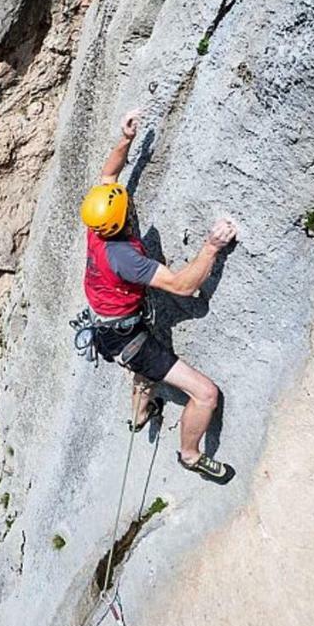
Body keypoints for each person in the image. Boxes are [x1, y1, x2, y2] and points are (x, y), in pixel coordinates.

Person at [79, 109, 236, 480]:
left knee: (142, 369)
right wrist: (211, 247)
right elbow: (184, 286)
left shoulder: (97, 222)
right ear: (122, 218)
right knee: (205, 394)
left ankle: (138, 415)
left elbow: (108, 175)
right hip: (128, 336)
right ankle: (190, 454)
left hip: (111, 328)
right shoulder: (125, 258)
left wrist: (126, 139)